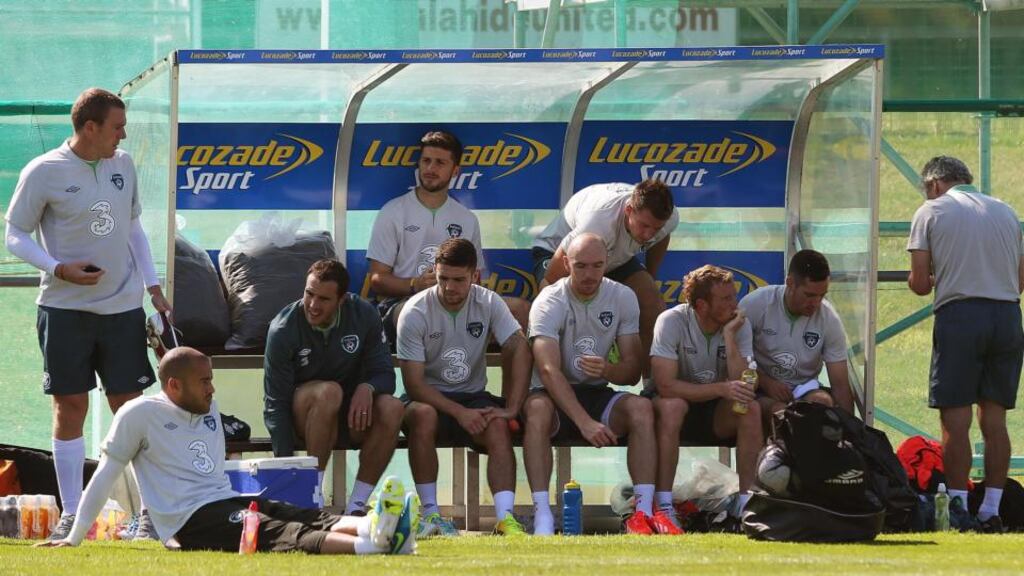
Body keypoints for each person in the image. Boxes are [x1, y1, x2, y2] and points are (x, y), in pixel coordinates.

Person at [37, 347, 418, 555]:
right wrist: (74, 537)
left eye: (211, 380)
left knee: (300, 513)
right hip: (191, 521)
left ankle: (378, 526)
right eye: (203, 382)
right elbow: (105, 474)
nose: (212, 389)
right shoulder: (139, 414)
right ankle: (370, 546)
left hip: (226, 499)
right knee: (281, 533)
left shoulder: (207, 408)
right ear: (173, 386)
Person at [4, 88, 170, 540]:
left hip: (122, 308)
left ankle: (151, 515)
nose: (124, 134)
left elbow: (133, 227)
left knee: (129, 412)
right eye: (117, 127)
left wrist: (153, 286)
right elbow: (14, 234)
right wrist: (58, 268)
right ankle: (73, 515)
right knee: (70, 406)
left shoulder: (124, 164)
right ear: (90, 127)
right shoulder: (44, 171)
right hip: (63, 309)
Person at [907, 156, 1023, 533]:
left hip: (960, 316)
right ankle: (992, 507)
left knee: (954, 419)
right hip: (1007, 316)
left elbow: (921, 282)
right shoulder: (1006, 210)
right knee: (994, 420)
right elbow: (1020, 278)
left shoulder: (931, 210)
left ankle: (957, 505)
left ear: (935, 185)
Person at [523, 233, 667, 535]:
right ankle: (543, 515)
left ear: (607, 264)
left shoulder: (622, 297)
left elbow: (631, 372)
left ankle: (642, 513)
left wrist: (609, 370)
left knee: (641, 408)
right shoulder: (548, 301)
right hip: (553, 396)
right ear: (565, 263)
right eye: (581, 266)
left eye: (597, 266)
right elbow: (548, 371)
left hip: (597, 394)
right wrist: (584, 422)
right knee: (536, 410)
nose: (590, 275)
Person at [397, 238, 531, 537]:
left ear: (475, 276)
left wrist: (512, 406)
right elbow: (414, 385)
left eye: (459, 280)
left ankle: (505, 518)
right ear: (435, 272)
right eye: (443, 278)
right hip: (427, 399)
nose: (450, 287)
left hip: (473, 399)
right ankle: (430, 515)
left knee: (497, 424)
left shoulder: (489, 301)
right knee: (423, 416)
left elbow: (518, 346)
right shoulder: (415, 311)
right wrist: (459, 413)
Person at [263, 259, 404, 513]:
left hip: (350, 417)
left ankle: (357, 506)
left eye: (324, 299)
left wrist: (368, 387)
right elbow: (275, 404)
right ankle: (310, 499)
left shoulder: (364, 314)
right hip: (304, 419)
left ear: (342, 300)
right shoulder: (283, 328)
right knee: (329, 392)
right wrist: (284, 468)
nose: (313, 305)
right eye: (309, 294)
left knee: (393, 407)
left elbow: (386, 375)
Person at [366, 130, 529, 343]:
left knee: (521, 310)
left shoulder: (466, 218)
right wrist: (415, 284)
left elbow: (476, 276)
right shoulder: (393, 211)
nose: (431, 169)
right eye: (426, 161)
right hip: (406, 302)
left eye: (440, 163)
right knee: (417, 313)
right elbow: (377, 280)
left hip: (456, 299)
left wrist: (457, 287)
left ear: (455, 170)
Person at [650, 265, 761, 530]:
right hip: (674, 405)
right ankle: (664, 503)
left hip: (715, 412)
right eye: (726, 299)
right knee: (672, 407)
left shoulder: (737, 326)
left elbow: (746, 383)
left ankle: (746, 505)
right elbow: (665, 386)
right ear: (701, 305)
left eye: (733, 296)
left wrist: (729, 337)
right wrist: (721, 389)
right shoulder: (671, 321)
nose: (735, 304)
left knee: (751, 408)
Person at [532, 180, 679, 378]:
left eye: (655, 228)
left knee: (652, 301)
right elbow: (550, 280)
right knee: (557, 303)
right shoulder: (599, 221)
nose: (648, 234)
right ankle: (547, 382)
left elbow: (663, 235)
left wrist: (650, 275)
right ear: (628, 210)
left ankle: (652, 384)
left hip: (611, 255)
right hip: (561, 253)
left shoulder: (668, 219)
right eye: (644, 226)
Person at [738, 249, 854, 420]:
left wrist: (851, 432)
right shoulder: (755, 305)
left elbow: (840, 385)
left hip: (805, 388)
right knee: (782, 414)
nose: (815, 303)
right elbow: (736, 363)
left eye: (822, 295)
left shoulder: (829, 318)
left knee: (821, 401)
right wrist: (765, 382)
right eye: (809, 295)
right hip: (760, 390)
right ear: (790, 283)